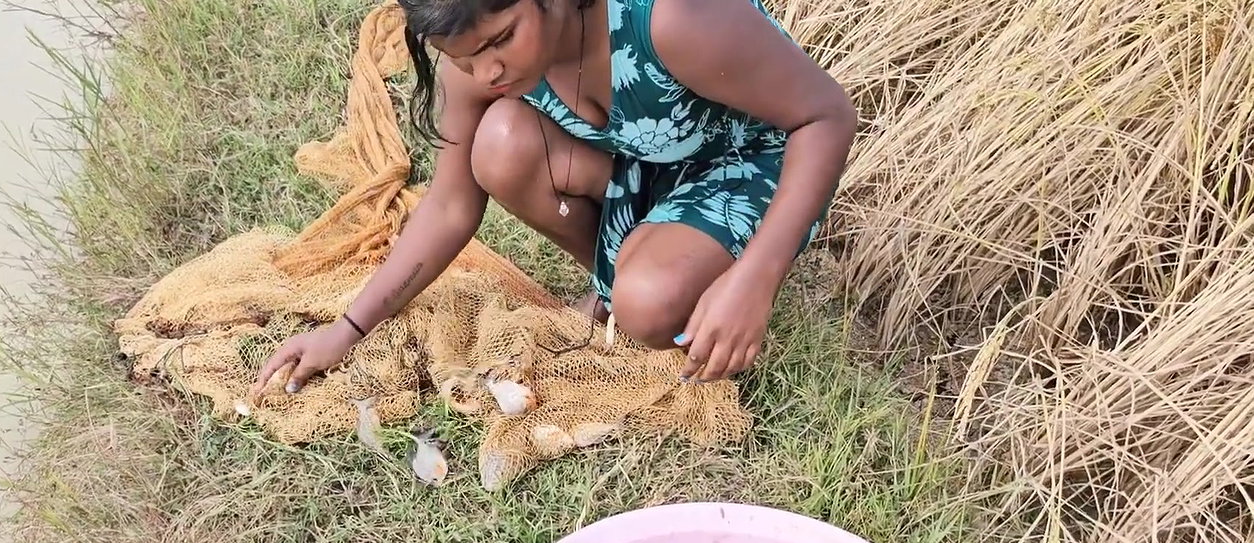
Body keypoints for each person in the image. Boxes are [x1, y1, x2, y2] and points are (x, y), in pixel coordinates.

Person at [252, 0, 855, 397]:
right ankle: (616, 277)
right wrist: (347, 329)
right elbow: (450, 206)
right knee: (500, 147)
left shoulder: (674, 18)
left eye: (502, 39)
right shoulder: (479, 62)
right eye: (462, 58)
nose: (487, 72)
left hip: (753, 160)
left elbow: (826, 116)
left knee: (647, 303)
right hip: (649, 159)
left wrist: (756, 277)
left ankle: (659, 282)